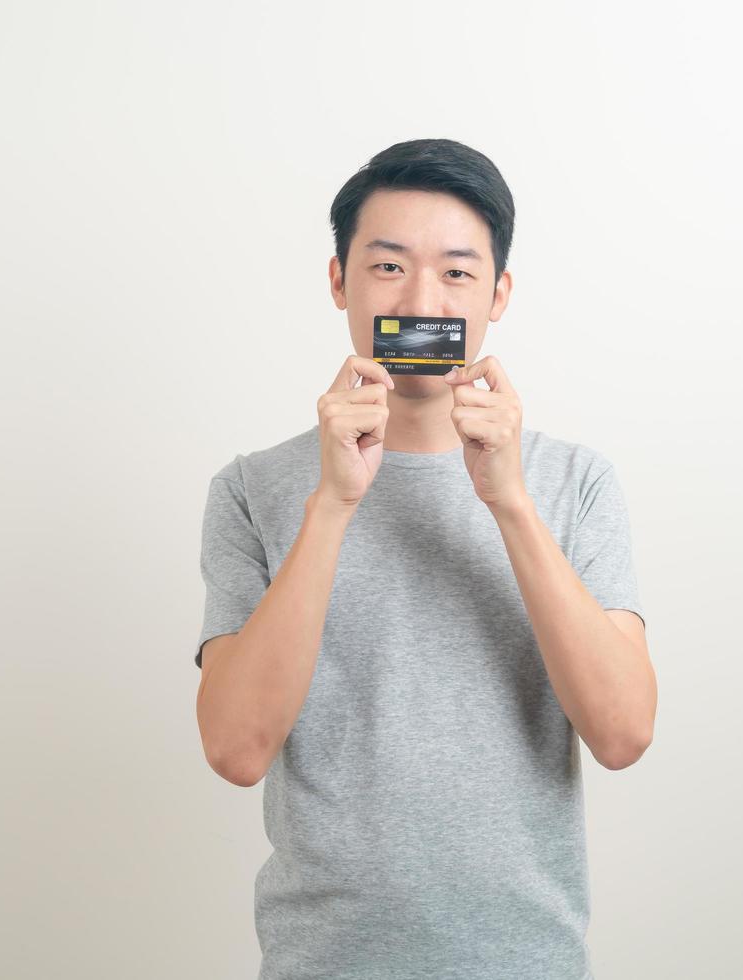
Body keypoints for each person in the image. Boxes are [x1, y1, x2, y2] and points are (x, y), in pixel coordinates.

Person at [193, 137, 657, 980]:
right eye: (387, 267)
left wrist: (508, 500)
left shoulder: (574, 482)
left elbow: (623, 733)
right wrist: (333, 505)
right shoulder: (251, 490)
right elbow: (235, 748)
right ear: (339, 281)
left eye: (455, 272)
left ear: (498, 294)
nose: (419, 298)